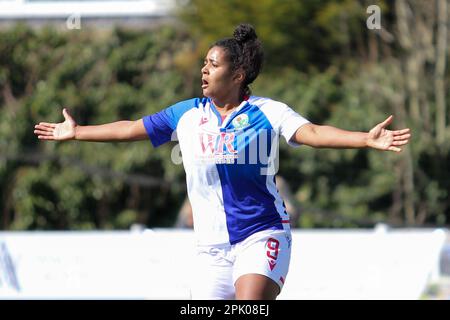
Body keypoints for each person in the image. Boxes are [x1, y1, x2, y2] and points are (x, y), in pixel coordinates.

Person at [34, 23, 411, 300]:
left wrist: (364, 138)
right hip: (209, 248)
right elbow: (130, 129)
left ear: (237, 74)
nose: (203, 70)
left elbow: (310, 134)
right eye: (203, 63)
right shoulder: (186, 114)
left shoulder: (268, 111)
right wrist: (78, 131)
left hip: (262, 234)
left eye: (212, 65)